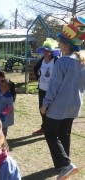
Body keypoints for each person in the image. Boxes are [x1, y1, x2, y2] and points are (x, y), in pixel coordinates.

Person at [40, 16, 85, 180]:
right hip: (73, 107)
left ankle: (66, 164)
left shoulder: (62, 62)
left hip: (59, 107)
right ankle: (63, 165)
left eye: (60, 41)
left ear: (66, 45)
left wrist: (45, 105)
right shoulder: (82, 62)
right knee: (64, 135)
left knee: (50, 133)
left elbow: (54, 87)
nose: (58, 44)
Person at [32, 38, 60, 136]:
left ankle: (52, 130)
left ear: (52, 52)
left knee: (51, 111)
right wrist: (38, 78)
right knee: (42, 109)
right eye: (44, 50)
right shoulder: (42, 60)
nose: (46, 52)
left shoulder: (56, 60)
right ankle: (44, 128)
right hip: (42, 89)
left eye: (48, 50)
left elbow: (61, 73)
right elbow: (35, 68)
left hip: (52, 91)